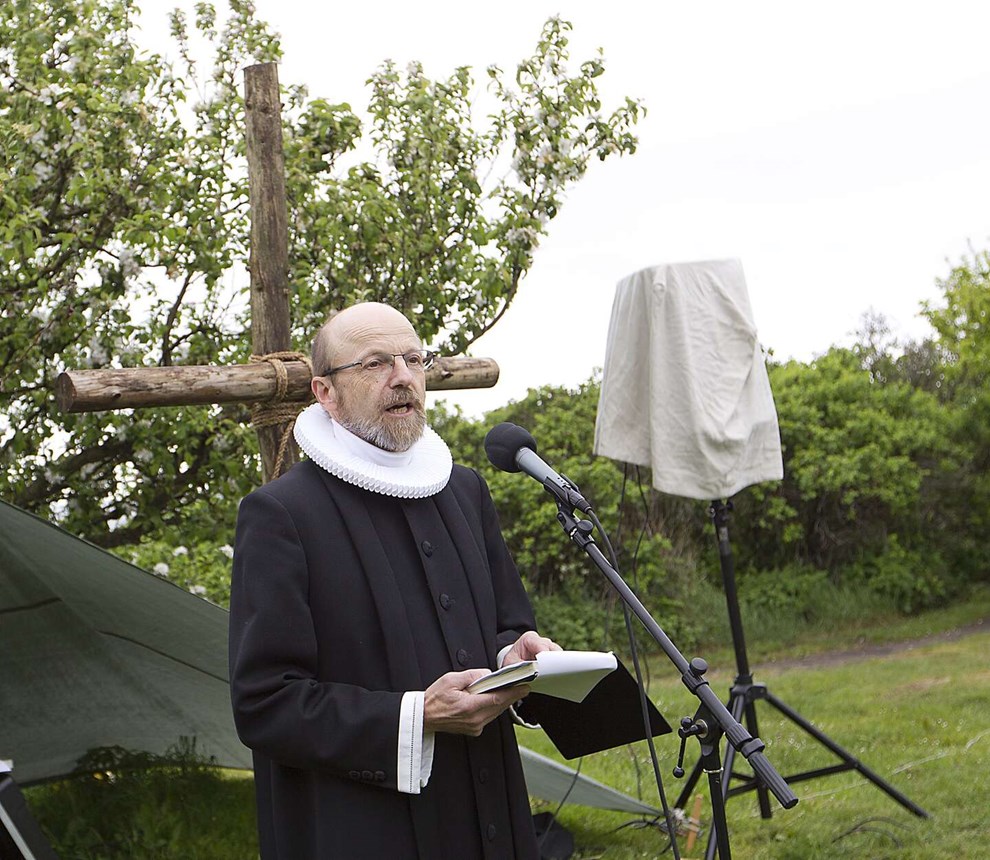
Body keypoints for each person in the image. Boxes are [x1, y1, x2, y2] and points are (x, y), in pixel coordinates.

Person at [228, 301, 559, 859]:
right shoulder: (281, 514)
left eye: (412, 359)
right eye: (376, 363)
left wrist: (514, 655)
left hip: (488, 810)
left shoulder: (464, 491)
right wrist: (415, 715)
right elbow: (265, 704)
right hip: (363, 828)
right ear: (323, 393)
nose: (403, 376)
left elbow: (507, 623)